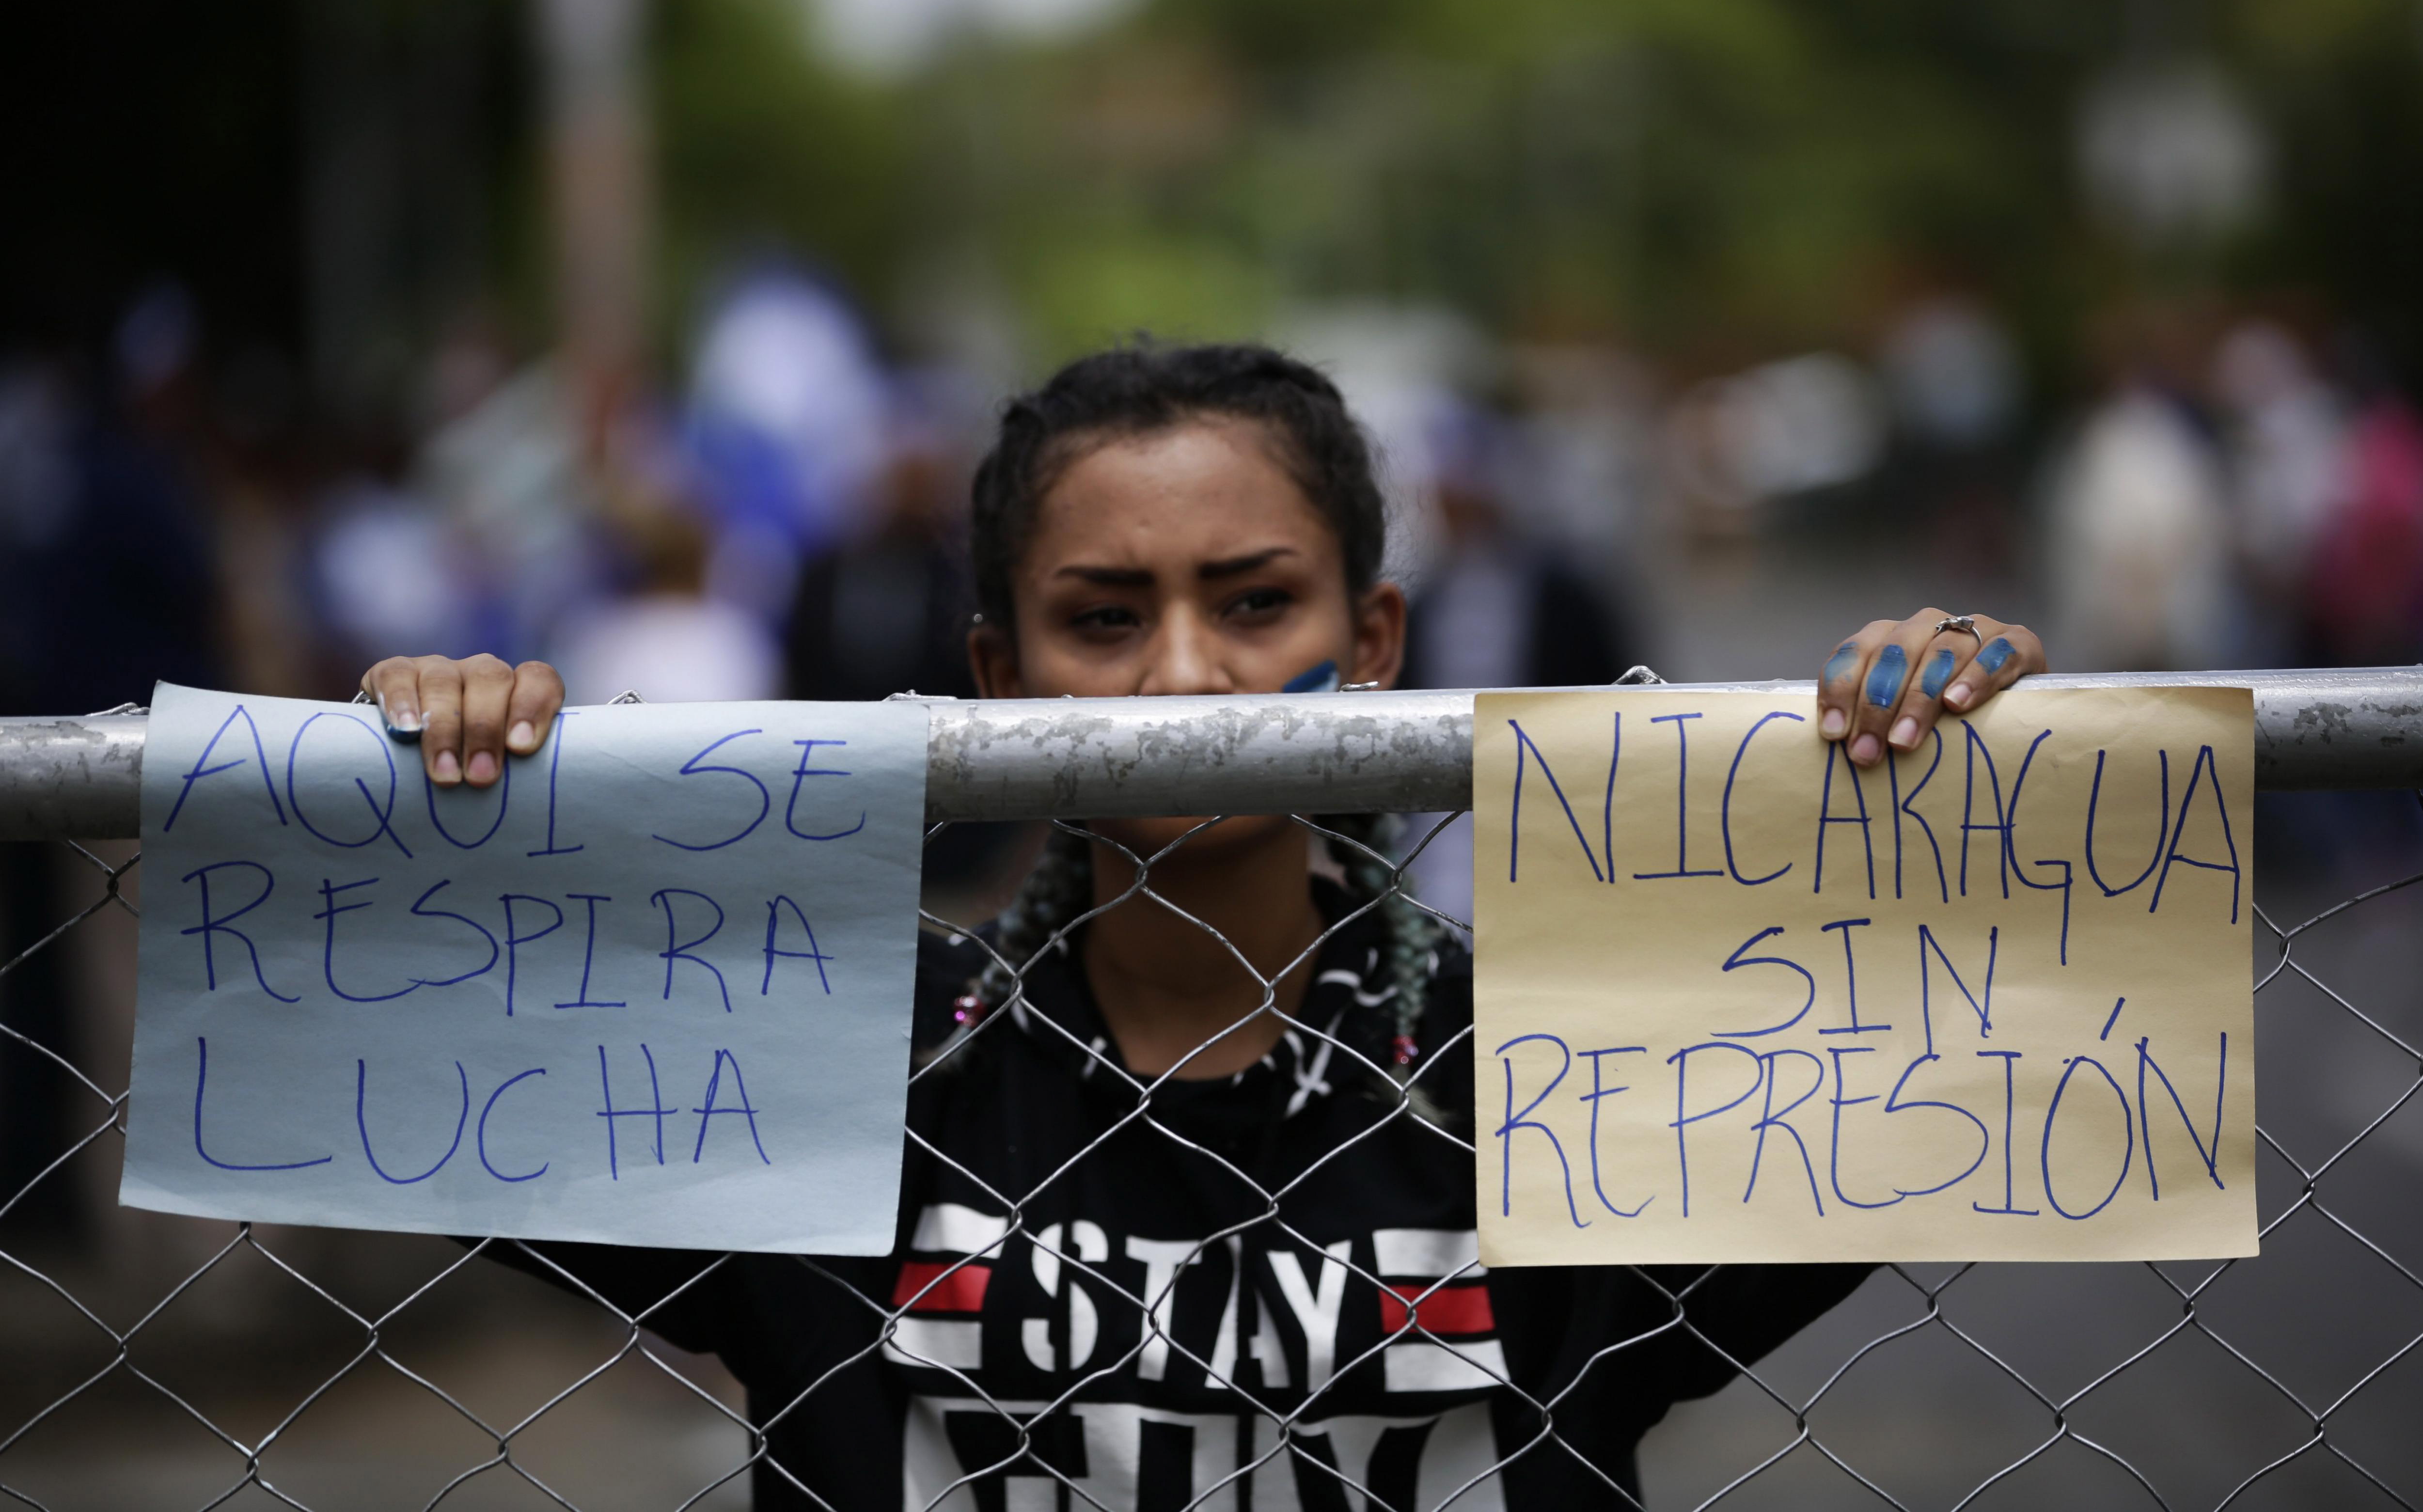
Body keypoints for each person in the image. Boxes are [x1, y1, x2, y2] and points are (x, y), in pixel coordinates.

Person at [361, 343, 2046, 1509]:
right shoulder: (842, 1065)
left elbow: (1961, 1049)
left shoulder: (1549, 1069)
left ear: (1374, 638)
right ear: (1001, 675)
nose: (1183, 675)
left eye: (1256, 604)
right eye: (1104, 619)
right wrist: (446, 780)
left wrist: (1951, 754)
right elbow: (415, 1053)